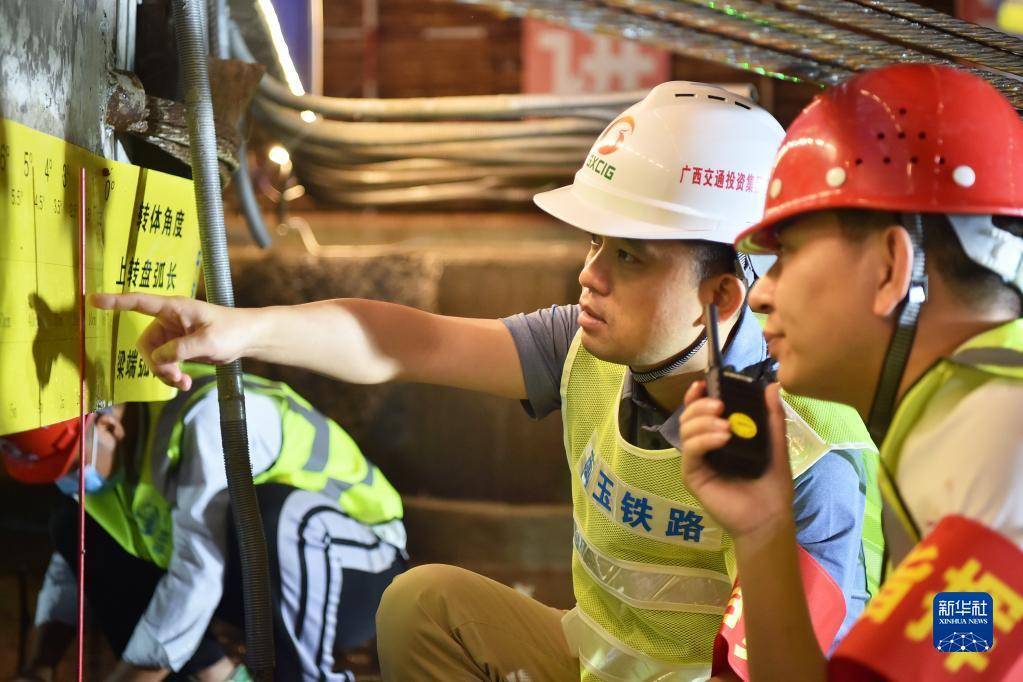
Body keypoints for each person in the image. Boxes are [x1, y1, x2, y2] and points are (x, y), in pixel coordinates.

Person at [92, 82, 881, 681]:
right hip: (599, 656)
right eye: (595, 243)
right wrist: (242, 329)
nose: (589, 274)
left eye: (628, 256)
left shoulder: (809, 460)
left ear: (723, 296)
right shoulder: (590, 350)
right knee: (425, 604)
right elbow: (406, 343)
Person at [679, 63, 1023, 680]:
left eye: (787, 255)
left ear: (892, 267)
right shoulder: (963, 416)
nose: (762, 294)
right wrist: (763, 530)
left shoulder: (994, 440)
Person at [2, 364, 406, 682]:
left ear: (108, 426)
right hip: (256, 586)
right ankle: (223, 678)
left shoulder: (207, 418)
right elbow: (75, 562)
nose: (67, 480)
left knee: (270, 517)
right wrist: (38, 668)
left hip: (358, 569)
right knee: (72, 525)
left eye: (71, 466)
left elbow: (199, 572)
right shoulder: (103, 453)